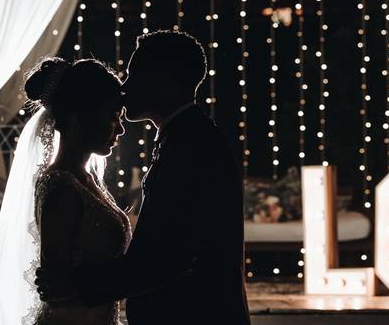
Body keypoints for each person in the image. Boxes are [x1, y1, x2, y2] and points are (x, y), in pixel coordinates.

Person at [37, 30, 250, 324]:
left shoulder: (192, 146)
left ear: (165, 82)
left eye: (134, 75)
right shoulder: (182, 138)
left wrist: (76, 286)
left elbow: (171, 255)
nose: (124, 88)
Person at [24, 57, 130, 325]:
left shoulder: (86, 178)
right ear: (79, 118)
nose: (120, 129)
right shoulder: (62, 189)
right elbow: (57, 292)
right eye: (112, 116)